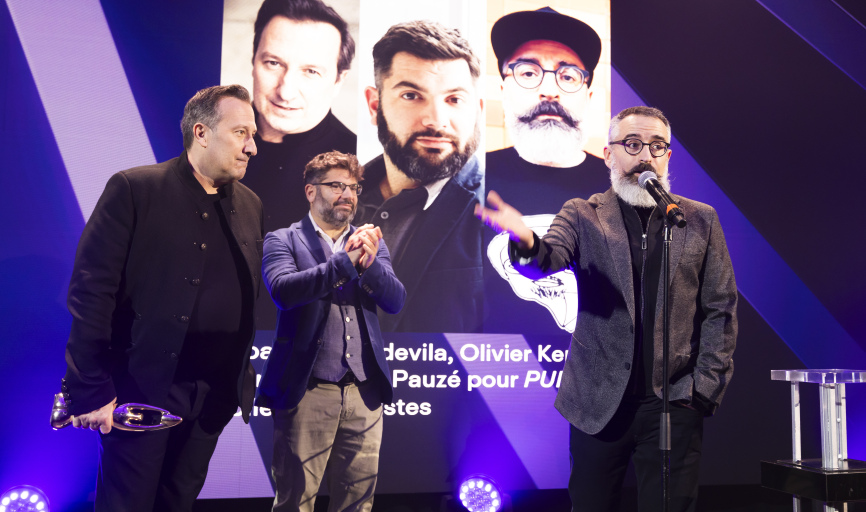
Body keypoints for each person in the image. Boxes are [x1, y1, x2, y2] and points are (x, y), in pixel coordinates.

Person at [476, 106, 738, 511]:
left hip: (673, 401)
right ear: (609, 154)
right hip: (598, 402)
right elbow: (549, 258)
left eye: (656, 146)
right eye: (632, 144)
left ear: (668, 156)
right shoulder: (582, 213)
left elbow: (719, 307)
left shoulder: (698, 220)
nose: (645, 155)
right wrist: (525, 240)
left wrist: (702, 391)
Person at [60, 85, 263, 512]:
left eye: (254, 134)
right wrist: (90, 386)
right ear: (202, 132)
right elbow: (92, 291)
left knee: (178, 503)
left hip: (212, 397)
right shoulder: (135, 190)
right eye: (241, 133)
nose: (252, 147)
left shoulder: (250, 205)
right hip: (141, 390)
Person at [256, 151, 405, 512]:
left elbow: (395, 300)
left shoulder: (371, 242)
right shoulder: (283, 240)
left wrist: (368, 265)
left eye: (353, 187)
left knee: (358, 504)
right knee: (296, 501)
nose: (348, 195)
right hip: (307, 391)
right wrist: (345, 263)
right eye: (336, 186)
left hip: (364, 392)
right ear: (311, 191)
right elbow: (284, 291)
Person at [483, 7, 611, 334]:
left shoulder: (621, 191)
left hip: (597, 379)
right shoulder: (466, 182)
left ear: (589, 96)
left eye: (568, 76)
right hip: (494, 376)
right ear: (503, 89)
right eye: (528, 73)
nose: (549, 90)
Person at [354, 20, 484, 333]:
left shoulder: (504, 212)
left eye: (454, 99)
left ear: (477, 109)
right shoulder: (334, 198)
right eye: (412, 95)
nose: (436, 120)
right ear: (375, 105)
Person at [243, 0, 357, 235]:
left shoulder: (362, 166)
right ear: (253, 62)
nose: (285, 92)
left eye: (311, 72)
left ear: (339, 80)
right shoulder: (202, 140)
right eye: (273, 63)